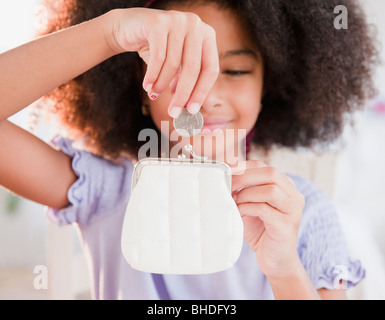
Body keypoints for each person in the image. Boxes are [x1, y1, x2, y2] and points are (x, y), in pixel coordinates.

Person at [0, 0, 379, 300]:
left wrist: (285, 270)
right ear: (141, 93)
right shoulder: (107, 189)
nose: (208, 96)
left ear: (269, 88)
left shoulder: (305, 212)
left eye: (235, 71)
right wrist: (110, 33)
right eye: (180, 72)